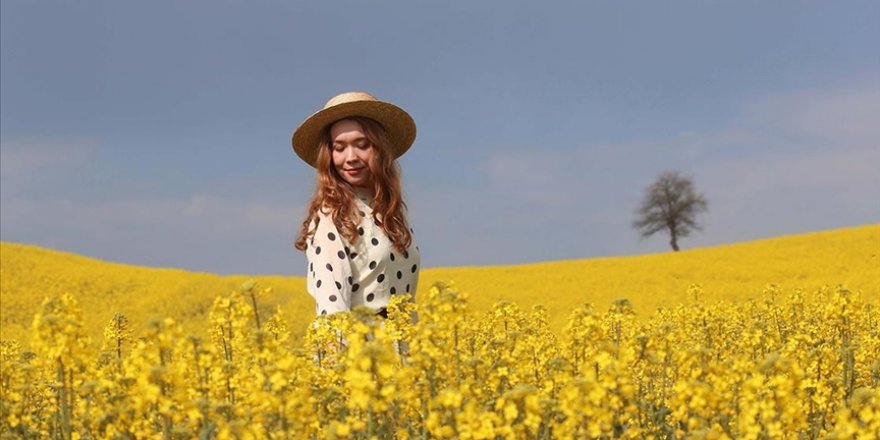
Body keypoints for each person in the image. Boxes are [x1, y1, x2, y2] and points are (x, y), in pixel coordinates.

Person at [292, 91, 420, 319]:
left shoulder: (392, 212)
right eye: (339, 148)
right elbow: (333, 313)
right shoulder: (331, 216)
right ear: (329, 156)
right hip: (361, 350)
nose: (350, 157)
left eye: (362, 144)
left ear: (380, 149)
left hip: (402, 348)